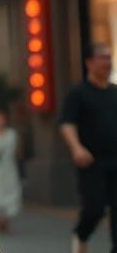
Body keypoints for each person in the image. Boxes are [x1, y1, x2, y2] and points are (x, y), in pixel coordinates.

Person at [60, 42, 117, 253]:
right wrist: (76, 148)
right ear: (89, 63)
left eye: (109, 58)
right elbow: (67, 124)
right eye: (102, 58)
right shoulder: (78, 93)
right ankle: (81, 233)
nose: (107, 62)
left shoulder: (114, 92)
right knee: (95, 208)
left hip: (116, 159)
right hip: (92, 162)